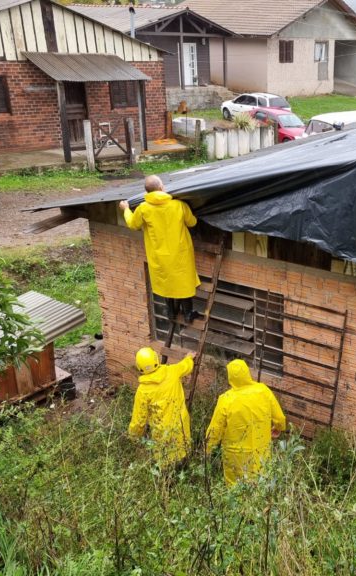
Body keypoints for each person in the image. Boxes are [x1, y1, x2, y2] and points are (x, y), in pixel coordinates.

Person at [119, 175, 200, 323]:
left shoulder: (143, 208)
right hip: (180, 253)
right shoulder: (179, 205)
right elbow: (192, 222)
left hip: (158, 254)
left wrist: (125, 209)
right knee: (183, 281)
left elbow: (132, 224)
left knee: (165, 281)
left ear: (147, 193)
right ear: (162, 188)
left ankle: (171, 313)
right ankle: (188, 313)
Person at [206, 359, 286, 485]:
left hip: (235, 455)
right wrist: (278, 428)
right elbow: (280, 419)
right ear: (247, 373)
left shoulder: (226, 400)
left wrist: (207, 449)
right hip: (260, 450)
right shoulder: (263, 390)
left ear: (230, 377)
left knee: (235, 488)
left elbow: (215, 430)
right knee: (261, 481)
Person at [128, 347, 194, 466]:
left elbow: (139, 420)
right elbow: (186, 366)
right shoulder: (172, 371)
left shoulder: (142, 391)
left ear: (139, 367)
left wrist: (133, 437)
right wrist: (189, 357)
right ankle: (184, 470)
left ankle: (167, 481)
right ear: (156, 358)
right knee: (183, 452)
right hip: (180, 426)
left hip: (161, 433)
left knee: (165, 462)